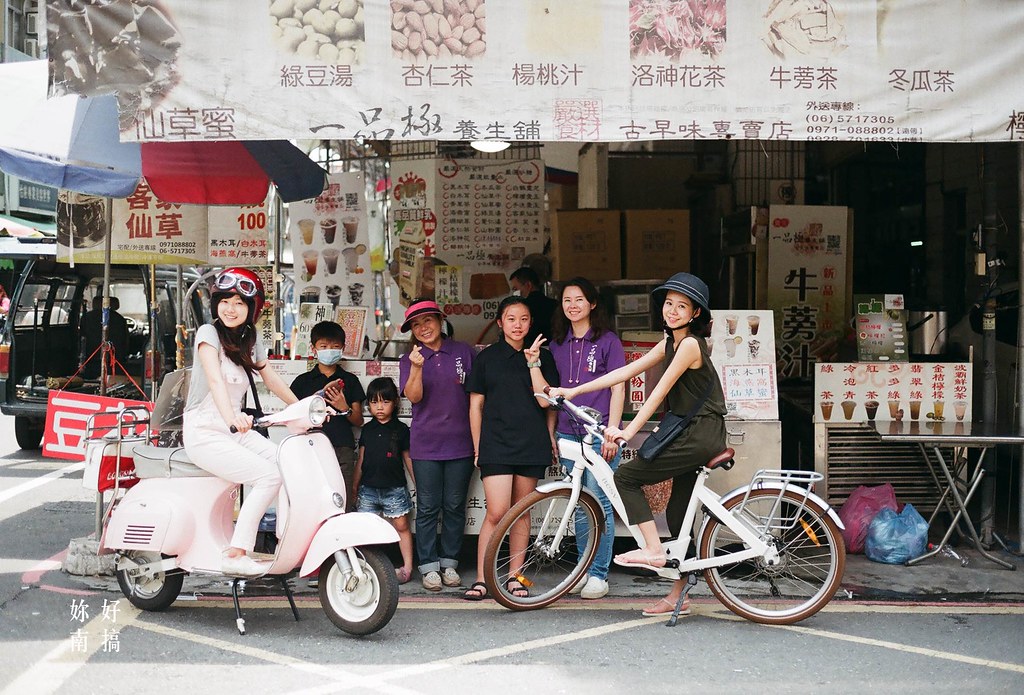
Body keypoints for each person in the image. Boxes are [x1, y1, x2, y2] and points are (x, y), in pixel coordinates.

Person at [549, 272, 726, 617]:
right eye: (669, 304)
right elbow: (626, 373)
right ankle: (679, 595)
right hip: (691, 431)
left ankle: (654, 550)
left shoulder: (689, 344)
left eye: (682, 307)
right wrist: (575, 391)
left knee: (627, 477)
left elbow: (659, 391)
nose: (672, 311)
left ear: (695, 314)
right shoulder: (671, 341)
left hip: (700, 433)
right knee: (679, 515)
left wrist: (628, 432)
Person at [183, 267, 299, 576]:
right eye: (225, 301)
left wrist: (303, 408)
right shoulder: (208, 333)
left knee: (286, 463)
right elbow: (215, 380)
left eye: (240, 302)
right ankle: (236, 553)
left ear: (252, 308)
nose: (231, 309)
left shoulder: (250, 338)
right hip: (206, 430)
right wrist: (232, 418)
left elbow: (270, 377)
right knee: (268, 476)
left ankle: (286, 538)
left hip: (234, 428)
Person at [462, 296, 560, 600]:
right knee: (497, 511)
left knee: (521, 512)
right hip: (496, 443)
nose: (518, 325)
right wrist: (478, 446)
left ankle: (516, 577)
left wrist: (550, 435)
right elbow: (475, 405)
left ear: (531, 323)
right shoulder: (486, 358)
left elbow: (548, 402)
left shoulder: (543, 356)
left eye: (524, 319)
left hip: (531, 443)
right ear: (500, 322)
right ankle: (482, 577)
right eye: (511, 318)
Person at [547, 277, 626, 600]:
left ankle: (598, 574)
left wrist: (613, 432)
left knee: (599, 504)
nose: (573, 305)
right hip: (568, 431)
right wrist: (551, 432)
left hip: (599, 435)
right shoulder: (556, 343)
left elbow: (619, 387)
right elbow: (552, 394)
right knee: (580, 504)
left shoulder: (608, 341)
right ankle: (583, 568)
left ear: (592, 303)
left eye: (579, 299)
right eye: (567, 300)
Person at [398, 298, 476, 592]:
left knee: (455, 505)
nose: (423, 328)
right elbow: (414, 397)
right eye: (416, 325)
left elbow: (477, 395)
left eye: (427, 320)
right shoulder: (410, 359)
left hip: (462, 442)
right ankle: (429, 566)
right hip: (426, 444)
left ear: (440, 320)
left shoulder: (463, 351)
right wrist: (417, 368)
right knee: (428, 506)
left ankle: (450, 562)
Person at [290, 321, 365, 511]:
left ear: (342, 349)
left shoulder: (350, 380)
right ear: (313, 349)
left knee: (342, 502)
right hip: (309, 448)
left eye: (335, 347)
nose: (329, 350)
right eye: (323, 347)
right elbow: (291, 418)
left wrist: (343, 407)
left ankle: (343, 540)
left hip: (342, 449)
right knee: (311, 502)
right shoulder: (302, 382)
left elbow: (359, 421)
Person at [353, 377, 415, 584]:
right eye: (374, 402)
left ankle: (407, 567)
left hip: (394, 488)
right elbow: (361, 459)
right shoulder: (367, 430)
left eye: (385, 401)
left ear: (395, 402)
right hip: (367, 489)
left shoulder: (401, 429)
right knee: (365, 529)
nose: (379, 407)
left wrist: (418, 485)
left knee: (402, 526)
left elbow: (408, 459)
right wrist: (354, 487)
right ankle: (366, 567)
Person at [80, 294, 130, 379]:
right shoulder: (119, 319)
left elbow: (82, 335)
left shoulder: (86, 317)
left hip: (90, 359)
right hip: (114, 360)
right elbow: (125, 341)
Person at [509, 266, 556, 347]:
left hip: (528, 349)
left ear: (528, 285)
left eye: (515, 288)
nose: (514, 292)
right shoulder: (555, 304)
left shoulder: (523, 307)